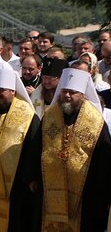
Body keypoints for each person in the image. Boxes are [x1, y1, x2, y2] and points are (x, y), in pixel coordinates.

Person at [38, 68, 111, 231]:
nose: (67, 96)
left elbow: (104, 160)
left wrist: (102, 193)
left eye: (72, 92)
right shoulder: (49, 117)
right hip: (50, 191)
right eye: (64, 91)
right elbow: (37, 147)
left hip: (85, 192)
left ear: (83, 95)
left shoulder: (96, 123)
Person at [0, 68, 41, 232]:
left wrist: (27, 177)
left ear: (13, 91)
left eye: (2, 91)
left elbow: (33, 148)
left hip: (15, 185)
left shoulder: (27, 115)